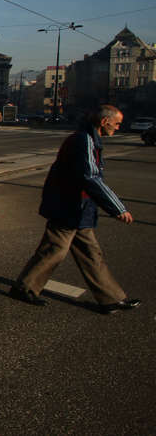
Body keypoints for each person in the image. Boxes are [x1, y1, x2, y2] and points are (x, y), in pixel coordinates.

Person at [9, 105, 139, 314]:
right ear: (104, 122)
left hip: (77, 206)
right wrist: (117, 208)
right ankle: (25, 288)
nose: (118, 128)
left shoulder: (87, 138)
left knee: (88, 253)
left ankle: (111, 298)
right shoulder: (84, 140)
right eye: (116, 124)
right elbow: (91, 177)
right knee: (55, 250)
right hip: (69, 206)